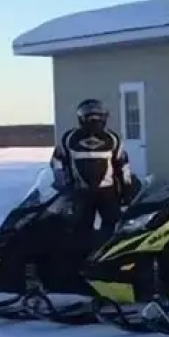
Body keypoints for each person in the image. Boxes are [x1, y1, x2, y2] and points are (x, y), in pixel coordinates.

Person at [51, 97, 140, 239]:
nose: (94, 119)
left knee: (112, 229)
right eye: (90, 115)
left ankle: (105, 258)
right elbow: (57, 163)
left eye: (97, 115)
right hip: (81, 192)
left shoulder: (113, 139)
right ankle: (83, 258)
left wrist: (126, 189)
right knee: (80, 231)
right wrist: (64, 187)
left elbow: (122, 165)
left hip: (105, 192)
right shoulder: (69, 138)